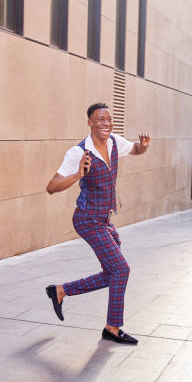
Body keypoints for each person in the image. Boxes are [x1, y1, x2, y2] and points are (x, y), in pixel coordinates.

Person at [45, 102, 150, 345]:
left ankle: (60, 291)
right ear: (90, 122)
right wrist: (78, 175)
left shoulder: (114, 142)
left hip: (104, 219)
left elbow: (134, 150)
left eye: (108, 119)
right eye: (100, 119)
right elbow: (51, 187)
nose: (106, 123)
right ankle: (112, 328)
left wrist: (143, 147)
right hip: (87, 219)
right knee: (121, 270)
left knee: (112, 274)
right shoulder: (78, 153)